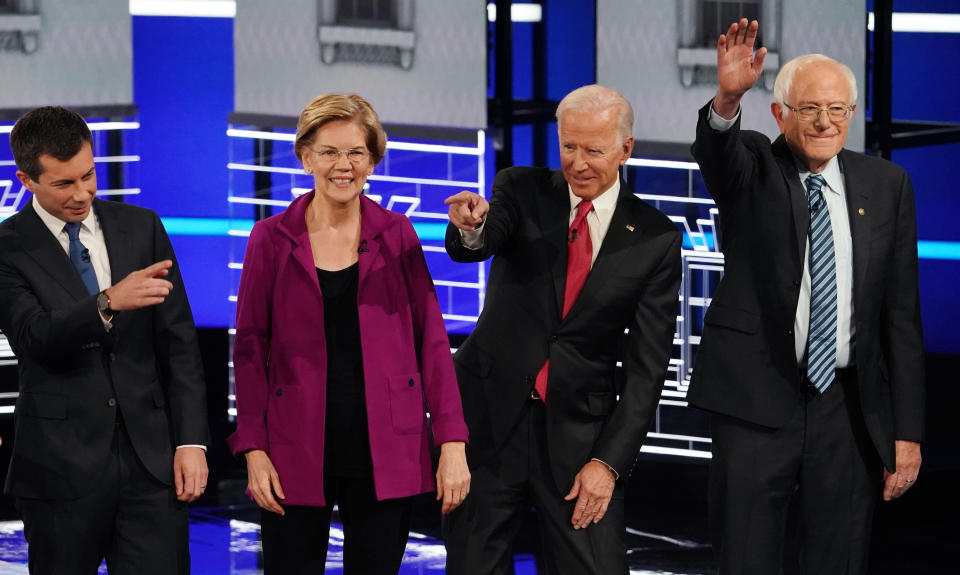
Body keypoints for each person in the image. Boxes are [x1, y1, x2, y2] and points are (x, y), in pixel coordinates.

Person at [688, 19, 925, 574]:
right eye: (809, 108)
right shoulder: (753, 167)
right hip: (754, 401)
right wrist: (727, 97)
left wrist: (906, 432)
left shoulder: (886, 185)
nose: (825, 121)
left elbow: (901, 319)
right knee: (744, 556)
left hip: (846, 408)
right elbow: (717, 154)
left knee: (839, 558)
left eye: (838, 109)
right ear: (780, 115)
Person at [226, 92, 471, 574]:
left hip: (385, 447)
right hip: (293, 449)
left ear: (373, 161)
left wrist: (452, 442)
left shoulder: (398, 233)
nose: (344, 165)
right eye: (329, 152)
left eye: (356, 152)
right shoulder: (270, 239)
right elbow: (251, 349)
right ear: (305, 158)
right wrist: (253, 449)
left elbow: (433, 344)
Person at [442, 84, 682, 574]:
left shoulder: (655, 238)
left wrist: (609, 463)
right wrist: (471, 228)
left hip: (580, 439)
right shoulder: (521, 189)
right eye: (568, 146)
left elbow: (648, 369)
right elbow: (482, 239)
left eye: (593, 150)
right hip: (489, 423)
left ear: (625, 148)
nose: (577, 162)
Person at [0, 106, 210, 573]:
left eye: (88, 175)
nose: (82, 194)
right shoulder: (8, 246)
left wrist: (191, 442)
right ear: (26, 180)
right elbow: (34, 335)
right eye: (64, 184)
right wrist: (107, 301)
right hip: (59, 468)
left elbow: (179, 344)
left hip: (152, 467)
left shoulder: (142, 226)